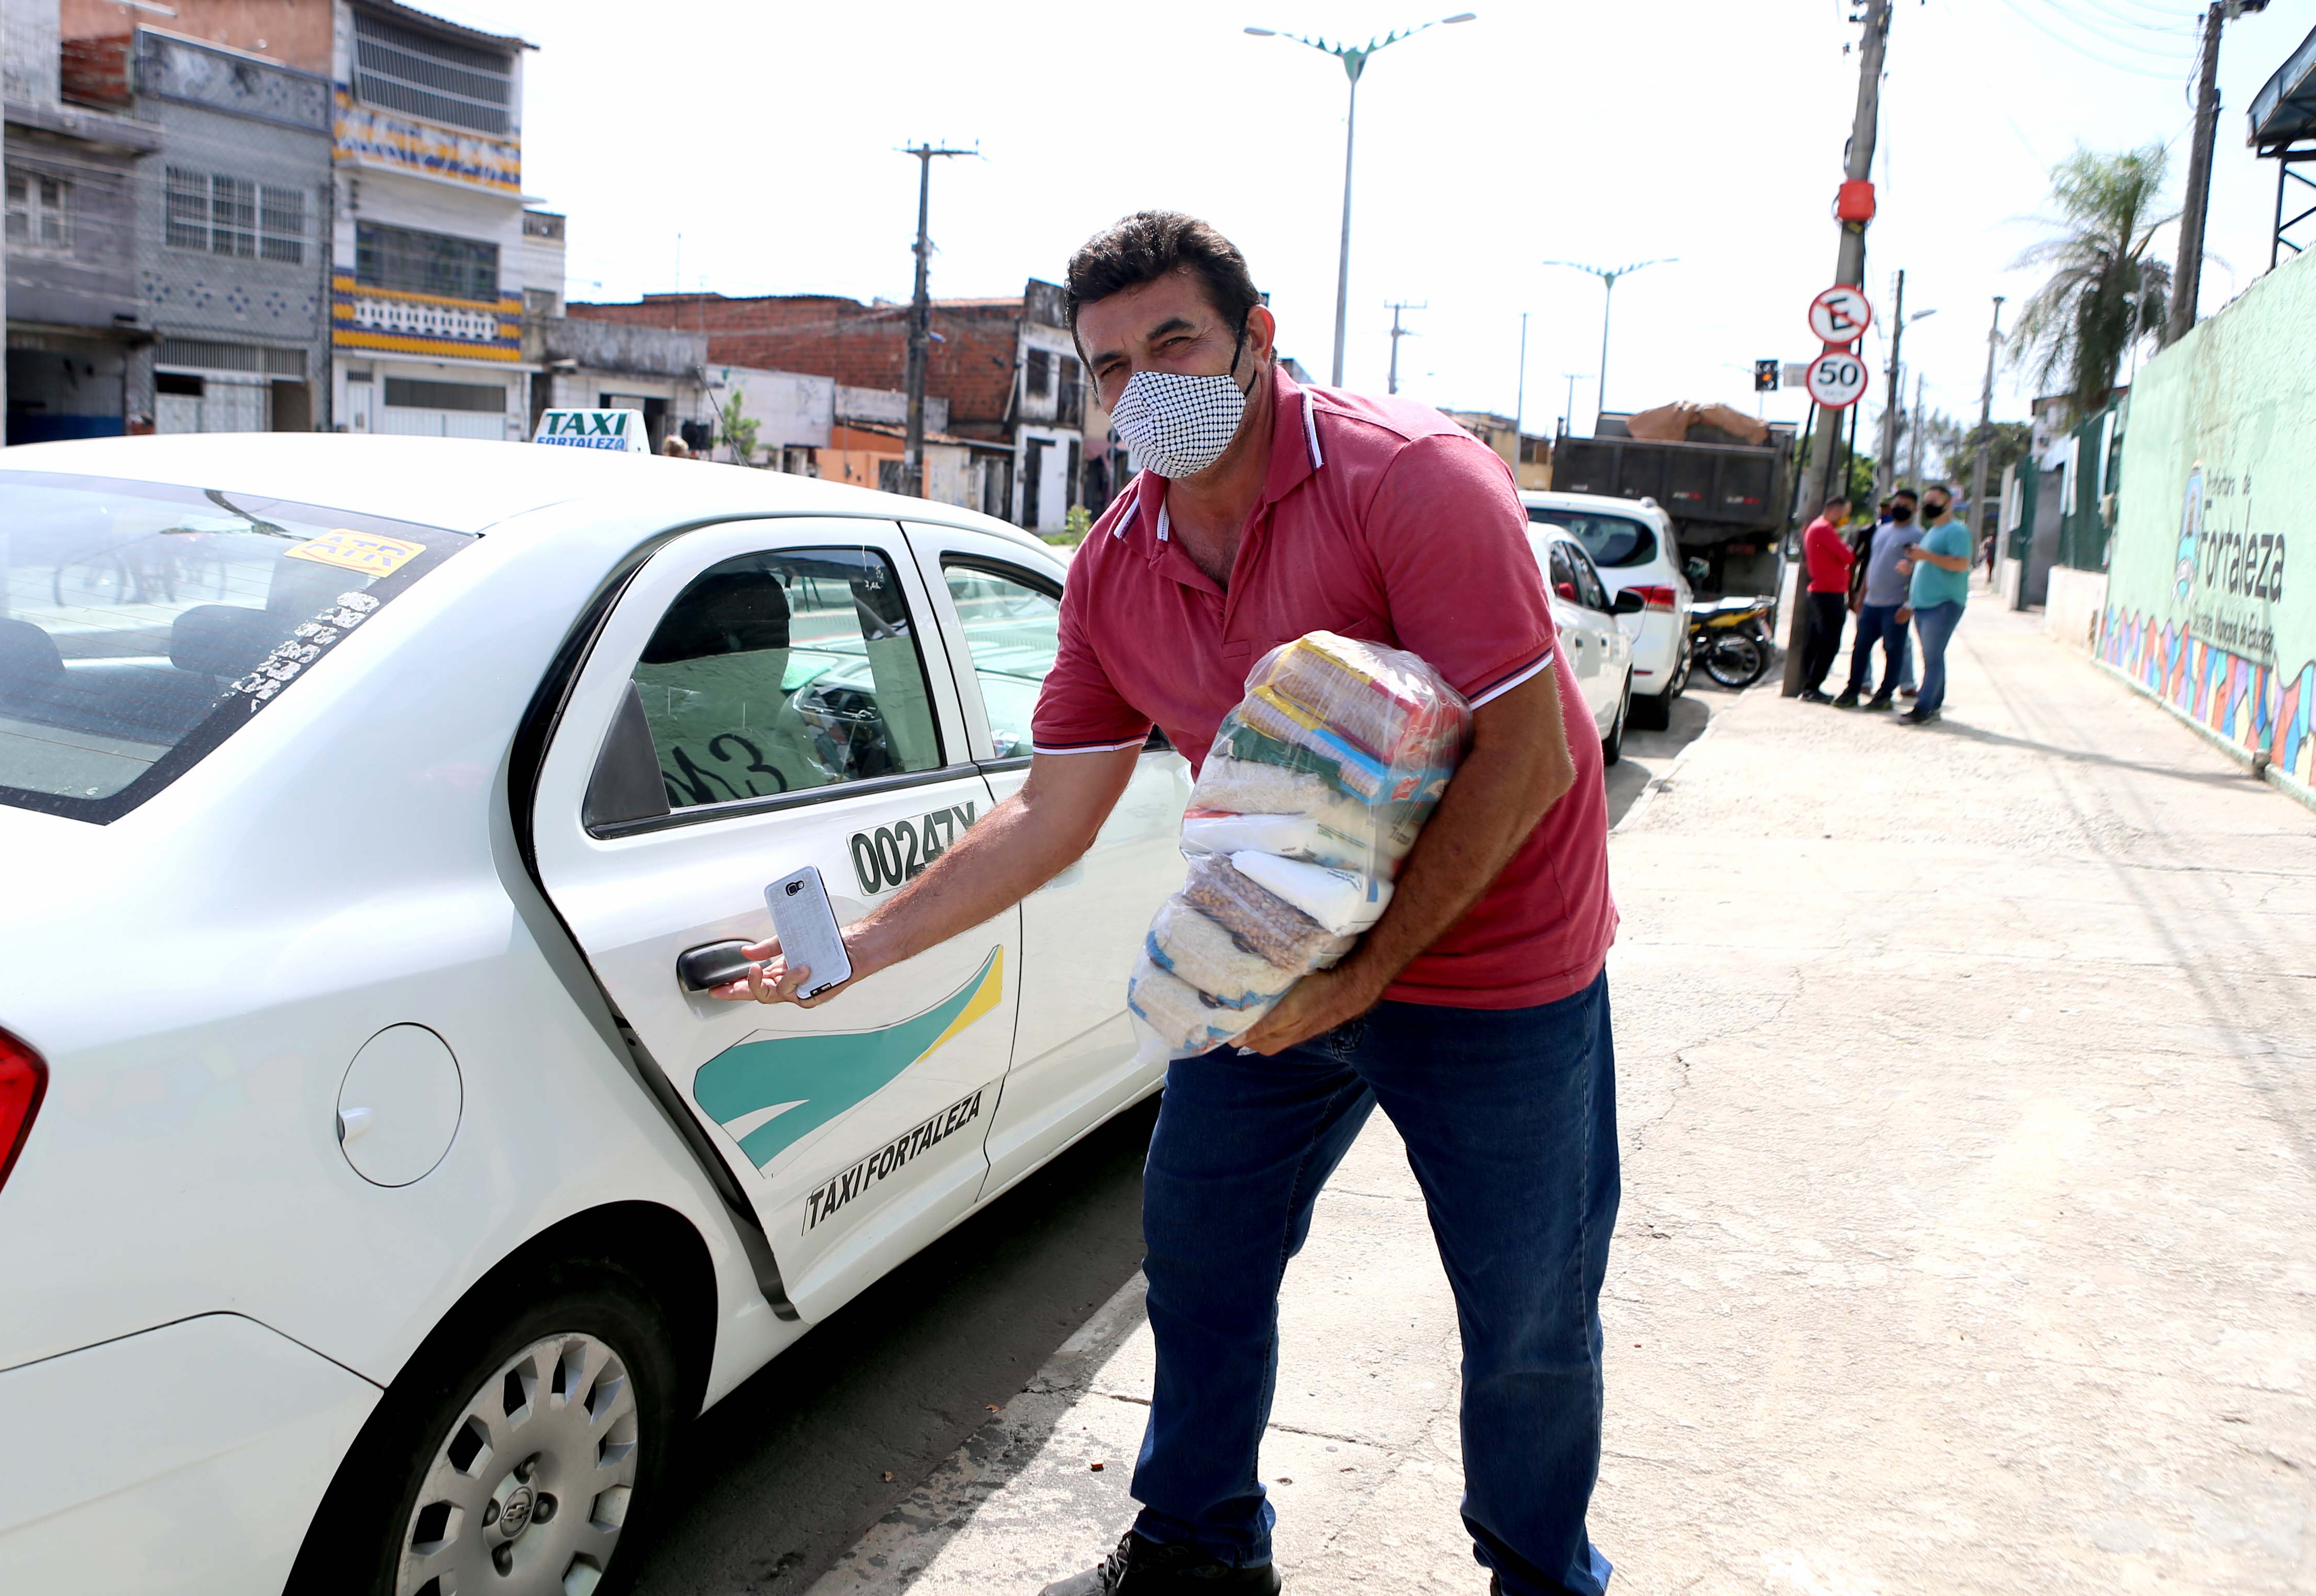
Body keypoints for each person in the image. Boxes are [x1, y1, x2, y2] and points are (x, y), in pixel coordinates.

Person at [713, 212, 1619, 1596]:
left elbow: (1534, 753)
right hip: (1263, 957)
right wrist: (853, 947)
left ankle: (1538, 1572)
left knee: (1527, 1316)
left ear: (1258, 339)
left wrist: (1364, 980)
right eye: (1109, 365)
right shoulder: (1114, 566)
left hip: (1496, 964)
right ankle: (1199, 1549)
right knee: (1198, 1256)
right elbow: (1045, 816)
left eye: (1174, 342)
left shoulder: (1414, 481)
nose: (1141, 389)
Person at [1834, 491, 1922, 709]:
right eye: (1898, 503)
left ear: (1915, 509)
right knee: (1860, 647)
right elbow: (1871, 566)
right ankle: (1853, 689)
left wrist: (1909, 604)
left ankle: (1885, 695)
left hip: (1896, 604)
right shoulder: (1880, 532)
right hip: (1872, 604)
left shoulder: (1919, 535)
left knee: (1893, 650)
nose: (1900, 507)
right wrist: (1860, 597)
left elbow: (1922, 573)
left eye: (1907, 505)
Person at [1899, 483, 1973, 724]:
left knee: (1932, 656)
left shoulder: (1957, 531)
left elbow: (1961, 564)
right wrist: (1912, 566)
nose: (1929, 505)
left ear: (1949, 503)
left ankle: (1924, 708)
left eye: (1935, 501)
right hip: (1924, 605)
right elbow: (1931, 564)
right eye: (1927, 501)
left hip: (1944, 604)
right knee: (1932, 656)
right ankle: (1934, 705)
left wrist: (1926, 556)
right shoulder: (1932, 532)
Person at [1796, 494, 1854, 702]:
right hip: (1827, 593)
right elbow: (1848, 556)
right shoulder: (1823, 529)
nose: (1845, 518)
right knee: (1829, 643)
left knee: (1818, 640)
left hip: (1826, 592)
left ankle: (1810, 686)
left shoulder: (1820, 528)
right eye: (1845, 513)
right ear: (1835, 510)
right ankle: (1812, 687)